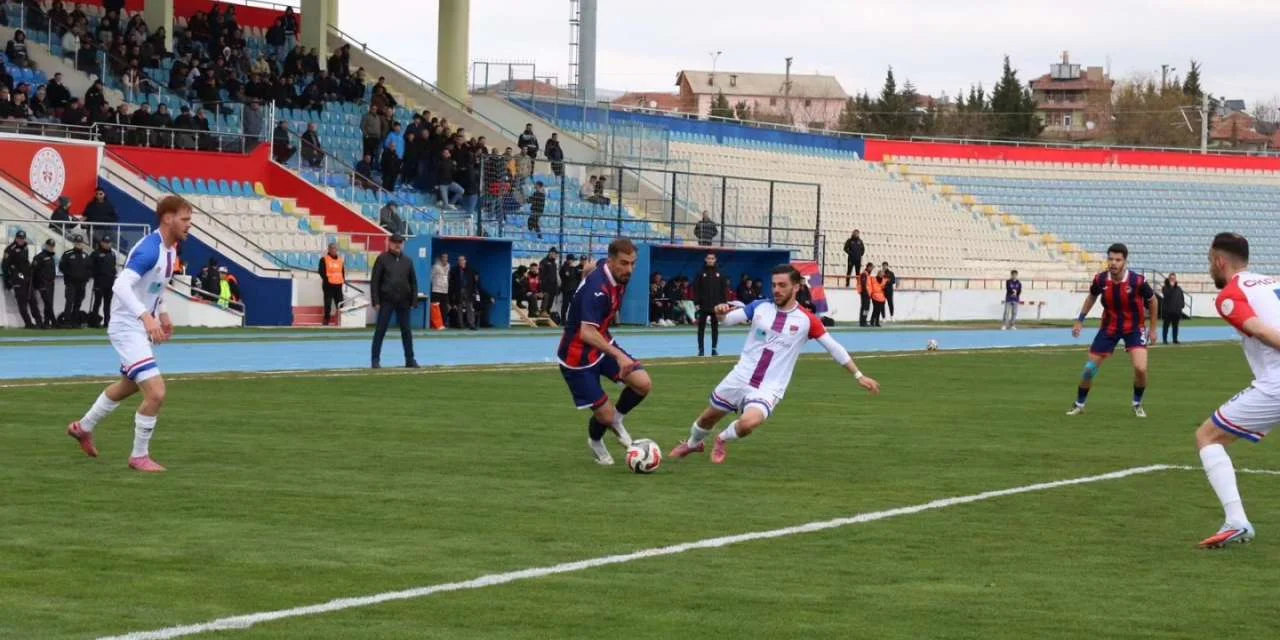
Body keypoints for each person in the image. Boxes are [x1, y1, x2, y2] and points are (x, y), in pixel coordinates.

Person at [670, 265, 881, 464]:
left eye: (782, 285)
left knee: (748, 423)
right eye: (774, 285)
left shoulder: (807, 320)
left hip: (769, 387)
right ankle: (693, 444)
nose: (776, 290)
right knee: (707, 419)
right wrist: (720, 312)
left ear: (796, 287)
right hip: (740, 377)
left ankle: (722, 439)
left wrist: (859, 375)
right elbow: (728, 320)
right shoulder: (760, 306)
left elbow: (834, 348)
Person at [66, 196, 192, 473]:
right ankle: (138, 456)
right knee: (156, 393)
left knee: (129, 386)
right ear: (167, 218)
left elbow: (156, 287)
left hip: (138, 325)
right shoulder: (150, 249)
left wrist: (163, 313)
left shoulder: (172, 250)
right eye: (184, 219)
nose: (189, 225)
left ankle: (82, 427)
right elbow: (121, 285)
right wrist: (145, 317)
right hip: (127, 326)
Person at [1194, 233, 1280, 548]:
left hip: (1276, 384)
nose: (1209, 269)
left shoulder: (1230, 295)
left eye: (1209, 262)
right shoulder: (1269, 282)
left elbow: (1258, 329)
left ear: (1219, 261)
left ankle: (1236, 521)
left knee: (1208, 437)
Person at [557, 238, 650, 465]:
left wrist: (585, 273)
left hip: (602, 343)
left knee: (643, 383)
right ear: (611, 261)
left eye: (633, 263)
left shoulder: (609, 271)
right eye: (624, 263)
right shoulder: (597, 289)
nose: (629, 269)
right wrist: (619, 356)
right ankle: (596, 440)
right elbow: (587, 333)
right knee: (604, 415)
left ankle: (616, 421)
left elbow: (593, 267)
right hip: (577, 357)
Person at [1068, 243, 1157, 418]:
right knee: (1089, 369)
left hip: (1134, 328)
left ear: (1125, 262)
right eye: (1110, 259)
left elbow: (1153, 301)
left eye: (1118, 260)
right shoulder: (1100, 280)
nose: (1113, 263)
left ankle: (1137, 403)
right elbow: (1092, 296)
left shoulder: (1137, 281)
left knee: (1140, 368)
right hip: (1109, 328)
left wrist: (1153, 329)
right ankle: (1079, 404)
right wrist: (1080, 320)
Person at [369, 234, 419, 368]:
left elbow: (413, 282)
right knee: (380, 330)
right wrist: (376, 301)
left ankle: (410, 359)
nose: (398, 245)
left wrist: (414, 300)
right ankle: (375, 360)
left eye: (400, 242)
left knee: (406, 331)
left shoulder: (408, 261)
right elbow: (375, 281)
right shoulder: (382, 259)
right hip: (386, 300)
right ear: (390, 243)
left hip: (404, 300)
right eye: (395, 242)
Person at [693, 253, 729, 356]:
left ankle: (714, 349)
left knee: (715, 328)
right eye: (708, 258)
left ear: (715, 260)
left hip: (716, 306)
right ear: (705, 259)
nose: (710, 260)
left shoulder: (720, 273)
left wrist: (724, 303)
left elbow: (724, 289)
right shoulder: (700, 273)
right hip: (703, 305)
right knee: (701, 328)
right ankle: (701, 350)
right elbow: (696, 289)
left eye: (712, 258)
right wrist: (697, 303)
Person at [2, 229, 36, 328]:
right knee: (22, 303)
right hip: (17, 279)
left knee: (32, 301)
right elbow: (5, 266)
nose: (21, 240)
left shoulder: (25, 247)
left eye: (23, 238)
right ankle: (28, 323)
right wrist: (7, 280)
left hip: (26, 279)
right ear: (16, 238)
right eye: (19, 238)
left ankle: (37, 322)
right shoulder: (10, 249)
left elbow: (25, 263)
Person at [59, 234, 91, 327]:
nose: (78, 244)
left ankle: (75, 321)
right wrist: (70, 275)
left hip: (81, 284)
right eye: (77, 242)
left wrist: (86, 278)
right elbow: (62, 267)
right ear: (74, 243)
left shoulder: (86, 255)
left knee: (78, 302)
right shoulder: (67, 254)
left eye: (80, 243)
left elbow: (89, 269)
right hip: (71, 283)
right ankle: (67, 321)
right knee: (69, 301)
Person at [90, 235, 116, 328]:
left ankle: (107, 321)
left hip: (109, 282)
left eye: (109, 243)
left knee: (107, 303)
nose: (107, 244)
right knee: (97, 302)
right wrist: (95, 276)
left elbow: (113, 267)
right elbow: (90, 267)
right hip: (99, 282)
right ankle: (94, 322)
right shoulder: (95, 253)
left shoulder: (112, 254)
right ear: (101, 243)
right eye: (105, 242)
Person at [31, 239, 58, 328]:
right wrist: (38, 284)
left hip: (51, 283)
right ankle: (54, 322)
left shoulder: (51, 257)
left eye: (52, 246)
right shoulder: (39, 257)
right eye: (49, 246)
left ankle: (47, 322)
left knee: (49, 303)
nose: (51, 248)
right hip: (43, 284)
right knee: (48, 303)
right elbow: (34, 270)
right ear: (46, 245)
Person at [449, 255, 479, 330]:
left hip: (468, 291)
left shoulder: (471, 270)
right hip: (458, 291)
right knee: (459, 308)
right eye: (459, 260)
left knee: (470, 307)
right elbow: (451, 282)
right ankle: (460, 324)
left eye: (462, 260)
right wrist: (452, 292)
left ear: (465, 261)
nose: (460, 262)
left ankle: (471, 324)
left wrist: (474, 291)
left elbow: (474, 281)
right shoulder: (454, 270)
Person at [318, 242, 345, 326]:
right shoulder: (324, 259)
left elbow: (342, 272)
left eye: (335, 248)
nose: (334, 250)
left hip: (338, 285)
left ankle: (341, 320)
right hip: (328, 285)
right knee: (328, 304)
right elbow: (321, 271)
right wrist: (327, 279)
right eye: (332, 248)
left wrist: (342, 280)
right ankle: (326, 320)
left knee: (340, 303)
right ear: (329, 249)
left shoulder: (340, 260)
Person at [1162, 273, 1185, 344]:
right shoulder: (1165, 288)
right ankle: (1165, 340)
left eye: (1174, 279)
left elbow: (1182, 298)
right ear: (1169, 279)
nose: (1173, 280)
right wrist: (1171, 286)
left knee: (1175, 326)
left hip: (1176, 311)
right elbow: (1167, 295)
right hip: (1168, 311)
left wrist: (1181, 305)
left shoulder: (1179, 288)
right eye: (1171, 279)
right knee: (1166, 326)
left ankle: (1175, 339)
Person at [538, 247, 560, 320]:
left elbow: (554, 275)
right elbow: (541, 276)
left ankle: (546, 318)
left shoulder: (554, 263)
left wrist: (556, 286)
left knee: (550, 303)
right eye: (555, 254)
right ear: (551, 253)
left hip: (553, 286)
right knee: (546, 302)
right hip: (546, 286)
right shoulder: (543, 262)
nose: (556, 256)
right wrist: (541, 288)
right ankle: (542, 314)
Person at [559, 254, 581, 320]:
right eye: (572, 260)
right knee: (565, 305)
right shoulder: (564, 267)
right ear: (568, 260)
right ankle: (563, 320)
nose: (573, 261)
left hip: (573, 289)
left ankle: (574, 319)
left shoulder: (575, 267)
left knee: (574, 305)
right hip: (566, 289)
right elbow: (564, 276)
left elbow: (578, 277)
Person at [856, 262, 873, 327]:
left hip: (867, 294)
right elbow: (863, 285)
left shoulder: (867, 274)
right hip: (865, 294)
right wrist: (866, 293)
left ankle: (863, 321)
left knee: (866, 308)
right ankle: (863, 321)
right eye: (871, 267)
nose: (871, 269)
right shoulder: (864, 274)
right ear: (868, 267)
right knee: (865, 308)